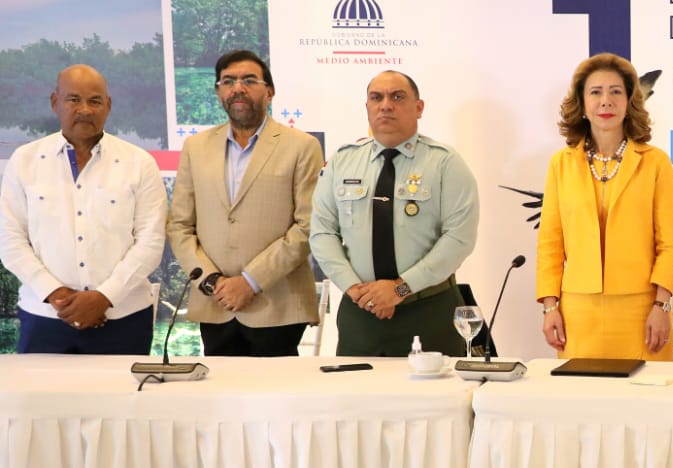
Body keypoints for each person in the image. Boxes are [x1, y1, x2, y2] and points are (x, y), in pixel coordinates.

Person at [309, 70, 480, 356]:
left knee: (435, 387)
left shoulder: (445, 163)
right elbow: (322, 232)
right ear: (367, 107)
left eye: (397, 97)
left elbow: (459, 239)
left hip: (428, 309)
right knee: (357, 385)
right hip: (361, 312)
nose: (386, 105)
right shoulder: (342, 161)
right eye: (376, 98)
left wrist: (400, 289)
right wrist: (354, 289)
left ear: (419, 107)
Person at [0, 64, 166, 353]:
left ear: (108, 105)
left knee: (122, 386)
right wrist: (57, 294)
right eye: (73, 99)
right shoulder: (24, 160)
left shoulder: (139, 163)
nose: (85, 110)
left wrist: (104, 297)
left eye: (95, 101)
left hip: (124, 317)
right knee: (40, 386)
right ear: (55, 102)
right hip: (45, 317)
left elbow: (151, 241)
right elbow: (9, 238)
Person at [167, 50, 323, 356]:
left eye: (249, 80)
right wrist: (211, 281)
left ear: (270, 92)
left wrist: (251, 281)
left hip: (278, 304)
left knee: (277, 388)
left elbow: (308, 226)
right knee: (219, 387)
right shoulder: (196, 147)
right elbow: (179, 225)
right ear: (218, 92)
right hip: (215, 302)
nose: (238, 88)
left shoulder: (302, 146)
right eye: (228, 81)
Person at [538, 54, 673, 359]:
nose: (606, 101)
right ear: (582, 103)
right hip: (578, 315)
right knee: (584, 390)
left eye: (616, 91)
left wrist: (662, 305)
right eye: (596, 92)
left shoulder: (656, 162)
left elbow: (669, 245)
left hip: (643, 311)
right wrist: (550, 307)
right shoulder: (560, 164)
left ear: (630, 101)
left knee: (647, 390)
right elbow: (550, 245)